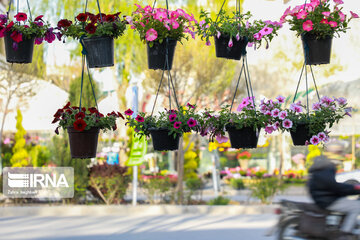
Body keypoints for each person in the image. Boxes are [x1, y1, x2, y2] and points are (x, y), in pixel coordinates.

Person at [308, 156, 360, 239]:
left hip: (325, 199)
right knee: (357, 206)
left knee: (348, 202)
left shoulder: (317, 173)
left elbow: (333, 187)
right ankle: (345, 233)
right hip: (328, 201)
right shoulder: (324, 172)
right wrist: (354, 189)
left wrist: (351, 189)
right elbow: (336, 187)